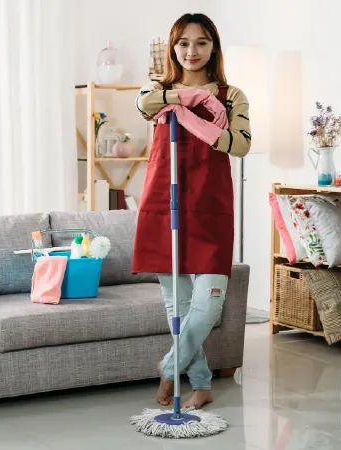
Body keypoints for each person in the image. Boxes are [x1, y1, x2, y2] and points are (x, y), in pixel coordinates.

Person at [132, 13, 251, 409]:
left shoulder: (232, 95)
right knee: (177, 309)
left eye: (201, 42)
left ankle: (168, 368)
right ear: (173, 48)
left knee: (206, 307)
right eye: (183, 43)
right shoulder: (159, 90)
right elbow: (141, 102)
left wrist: (188, 115)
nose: (192, 51)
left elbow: (239, 145)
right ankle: (200, 382)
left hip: (212, 212)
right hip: (167, 209)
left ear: (214, 47)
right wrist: (188, 98)